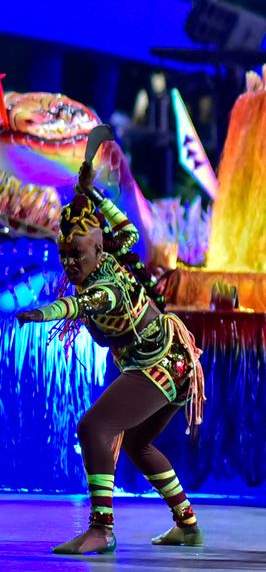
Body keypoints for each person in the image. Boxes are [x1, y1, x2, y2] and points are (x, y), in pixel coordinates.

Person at [16, 159, 205, 554]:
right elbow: (126, 229)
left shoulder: (106, 286)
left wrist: (43, 314)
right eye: (64, 252)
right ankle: (188, 525)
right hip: (169, 361)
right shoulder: (111, 254)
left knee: (94, 429)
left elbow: (84, 303)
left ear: (97, 249)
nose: (70, 262)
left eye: (78, 253)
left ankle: (102, 530)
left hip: (159, 363)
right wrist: (93, 194)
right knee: (138, 445)